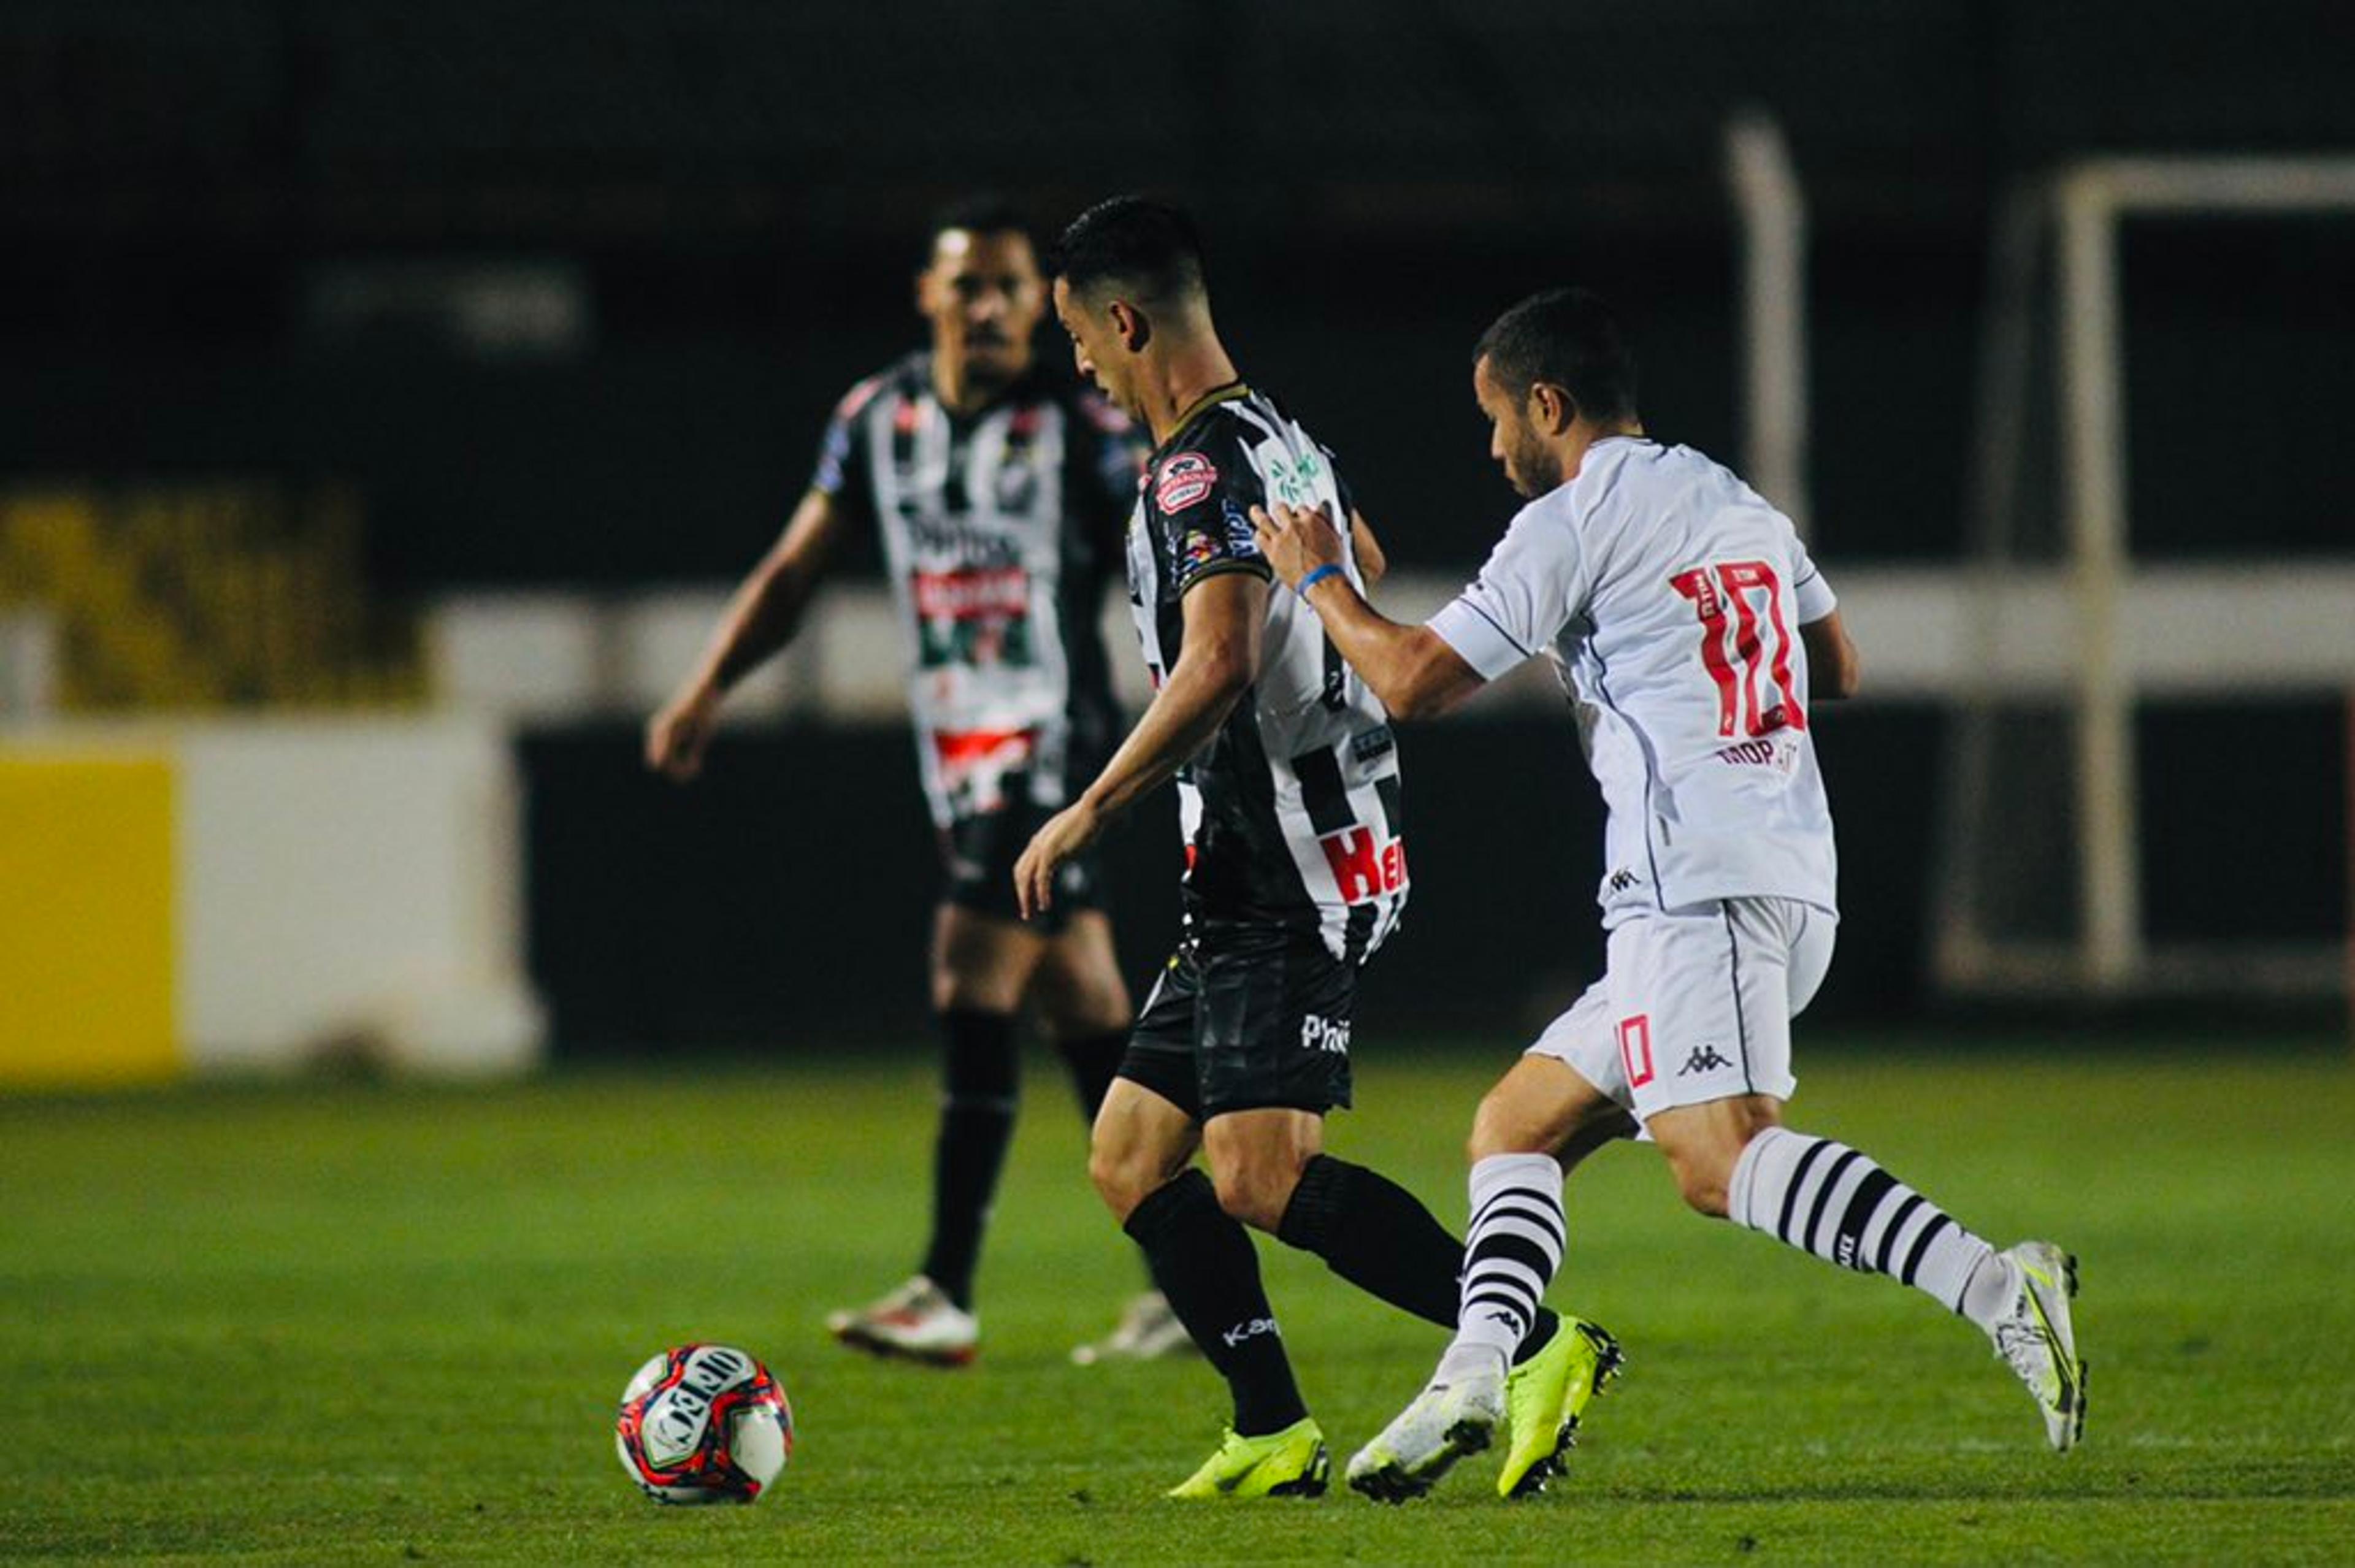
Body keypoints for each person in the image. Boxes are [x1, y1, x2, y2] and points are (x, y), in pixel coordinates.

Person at [1250, 285, 2087, 1500]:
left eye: (1497, 422)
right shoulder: (1734, 498)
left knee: (1716, 1160)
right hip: (1764, 870)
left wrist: (1321, 578)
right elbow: (1837, 663)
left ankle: (2002, 1286)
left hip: (1704, 882)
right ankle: (1479, 1370)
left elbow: (1414, 682)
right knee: (1518, 1123)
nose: (1493, 453)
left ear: (1550, 403)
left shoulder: (1577, 520)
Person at [1015, 196, 1620, 1502]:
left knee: (1258, 1173)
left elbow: (1219, 659)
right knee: (1130, 1155)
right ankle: (1275, 1429)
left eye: (1078, 337)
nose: (1079, 364)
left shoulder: (1191, 467)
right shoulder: (1276, 430)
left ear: (1124, 320)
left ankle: (1530, 1342)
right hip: (1274, 853)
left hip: (1286, 865)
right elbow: (1367, 557)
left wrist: (1091, 804)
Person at [647, 196, 1186, 1369]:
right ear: (929, 296)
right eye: (968, 285)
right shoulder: (876, 418)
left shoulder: (1077, 424)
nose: (988, 307)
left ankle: (945, 1286)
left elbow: (1176, 523)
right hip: (953, 750)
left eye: (1009, 289)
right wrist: (704, 688)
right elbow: (797, 569)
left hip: (1053, 736)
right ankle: (1189, 1285)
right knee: (1085, 1007)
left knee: (967, 964)